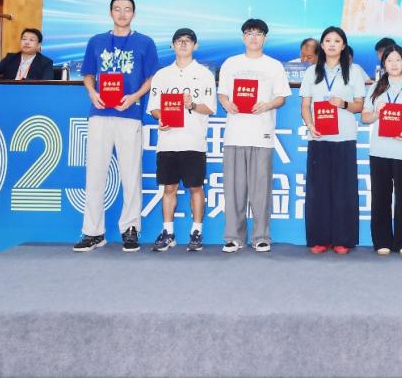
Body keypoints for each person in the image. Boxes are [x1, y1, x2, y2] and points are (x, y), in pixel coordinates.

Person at [73, 0, 159, 252]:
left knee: (131, 174)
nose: (122, 14)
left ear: (134, 14)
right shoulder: (96, 41)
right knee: (95, 173)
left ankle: (130, 228)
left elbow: (152, 77)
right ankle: (93, 231)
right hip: (100, 113)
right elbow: (88, 73)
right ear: (110, 13)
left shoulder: (145, 42)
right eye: (118, 9)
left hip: (129, 114)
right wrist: (92, 92)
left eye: (127, 9)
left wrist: (134, 96)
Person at [218, 18, 291, 253]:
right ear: (243, 37)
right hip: (235, 135)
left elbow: (281, 97)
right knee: (234, 189)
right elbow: (222, 94)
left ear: (264, 38)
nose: (254, 38)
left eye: (258, 34)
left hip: (262, 134)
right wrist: (226, 103)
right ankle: (233, 237)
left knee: (260, 190)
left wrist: (268, 105)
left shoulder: (274, 66)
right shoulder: (231, 63)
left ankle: (261, 236)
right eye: (249, 33)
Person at [146, 28, 216, 252]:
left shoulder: (204, 74)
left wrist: (191, 105)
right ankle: (168, 232)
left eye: (188, 41)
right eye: (179, 40)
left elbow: (210, 107)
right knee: (169, 188)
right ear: (172, 45)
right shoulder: (162, 75)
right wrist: (162, 117)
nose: (183, 44)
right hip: (168, 141)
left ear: (195, 45)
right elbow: (154, 108)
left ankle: (197, 232)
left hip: (193, 141)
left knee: (196, 187)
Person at [300, 26, 366, 254]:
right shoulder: (312, 72)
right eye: (327, 40)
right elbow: (305, 105)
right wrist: (310, 125)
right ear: (322, 45)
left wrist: (344, 104)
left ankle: (342, 239)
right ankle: (320, 238)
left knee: (343, 190)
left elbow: (360, 105)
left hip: (344, 137)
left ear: (343, 45)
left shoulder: (354, 71)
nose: (331, 44)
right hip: (318, 137)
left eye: (336, 41)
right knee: (318, 190)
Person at [361, 44, 402, 256]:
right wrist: (376, 114)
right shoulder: (375, 87)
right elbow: (365, 117)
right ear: (384, 64)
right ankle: (381, 240)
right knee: (380, 196)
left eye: (397, 60)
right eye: (389, 60)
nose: (393, 64)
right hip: (379, 150)